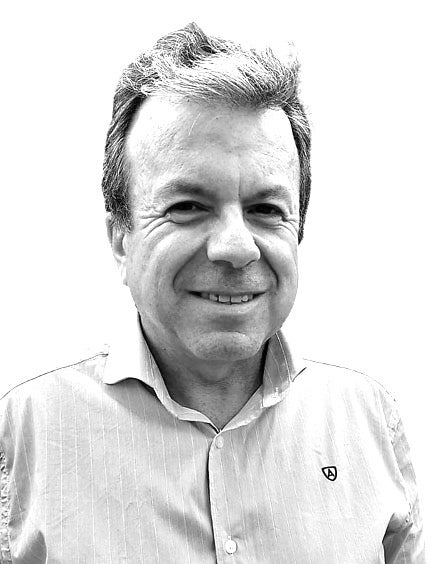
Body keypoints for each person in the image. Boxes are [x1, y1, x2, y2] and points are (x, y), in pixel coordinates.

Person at [0, 22, 424, 563]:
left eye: (265, 209)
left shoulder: (368, 421)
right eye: (187, 207)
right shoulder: (24, 436)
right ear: (120, 238)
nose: (236, 247)